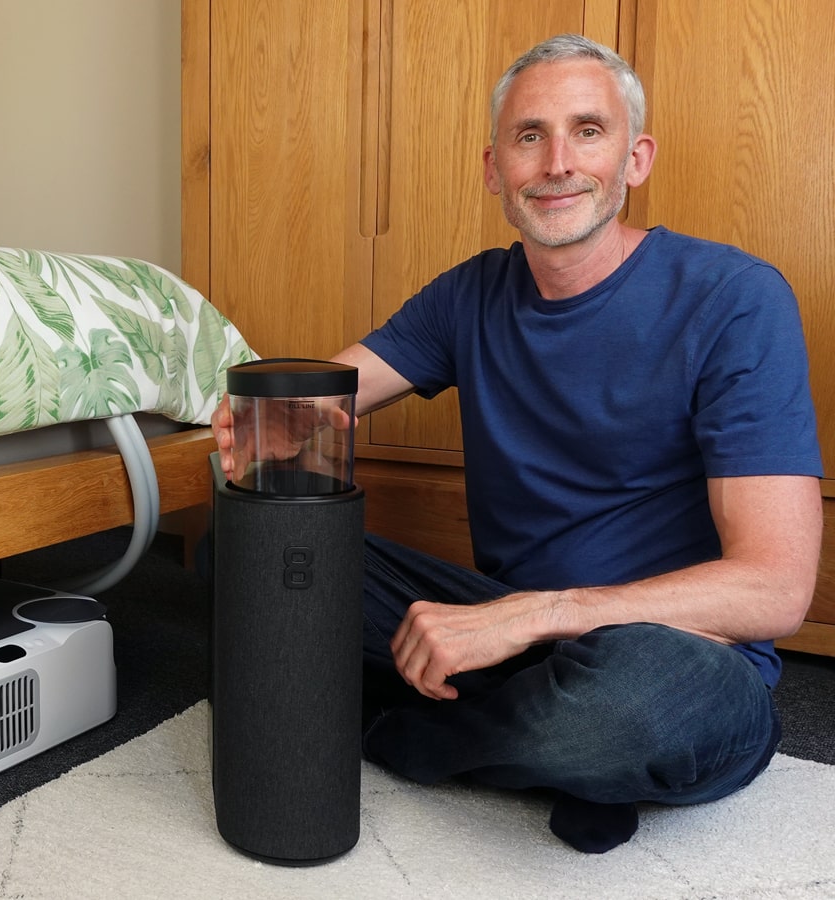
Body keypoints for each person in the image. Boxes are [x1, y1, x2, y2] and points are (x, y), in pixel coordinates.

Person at [212, 33, 824, 854]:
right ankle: (558, 757)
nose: (557, 162)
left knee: (636, 710)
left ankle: (432, 739)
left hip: (672, 655)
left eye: (589, 131)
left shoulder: (735, 298)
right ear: (494, 168)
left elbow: (775, 589)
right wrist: (282, 419)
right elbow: (334, 388)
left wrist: (533, 616)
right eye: (529, 136)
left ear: (635, 158)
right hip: (501, 633)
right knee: (247, 552)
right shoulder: (470, 292)